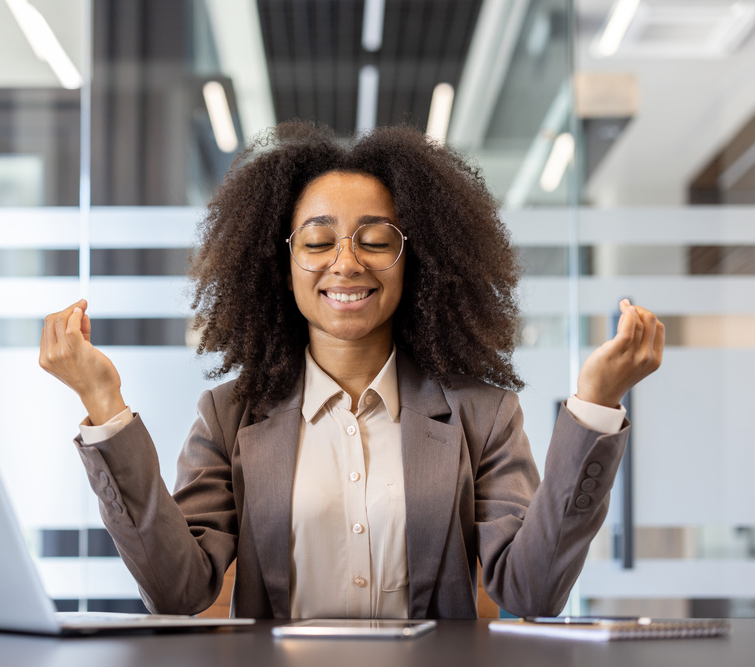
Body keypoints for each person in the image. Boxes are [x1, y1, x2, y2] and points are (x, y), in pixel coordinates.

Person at [39, 121, 664, 620]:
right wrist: (103, 404)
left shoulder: (482, 413)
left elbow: (531, 592)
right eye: (317, 242)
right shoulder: (229, 416)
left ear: (415, 258)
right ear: (279, 265)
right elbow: (179, 591)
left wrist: (595, 404)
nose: (346, 263)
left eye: (375, 238)